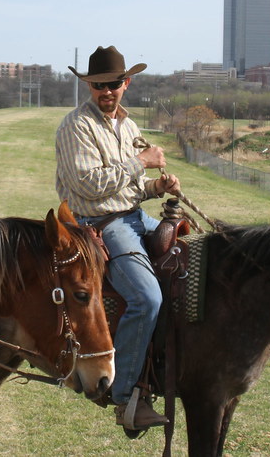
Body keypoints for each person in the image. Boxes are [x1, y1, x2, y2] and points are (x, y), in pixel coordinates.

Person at [55, 45, 180, 431]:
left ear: (126, 83)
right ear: (89, 86)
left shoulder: (127, 125)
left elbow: (129, 186)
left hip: (133, 214)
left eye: (113, 83)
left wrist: (156, 186)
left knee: (189, 268)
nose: (106, 91)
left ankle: (165, 368)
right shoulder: (76, 126)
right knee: (146, 297)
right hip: (102, 223)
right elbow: (90, 186)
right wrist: (140, 162)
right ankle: (124, 396)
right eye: (98, 85)